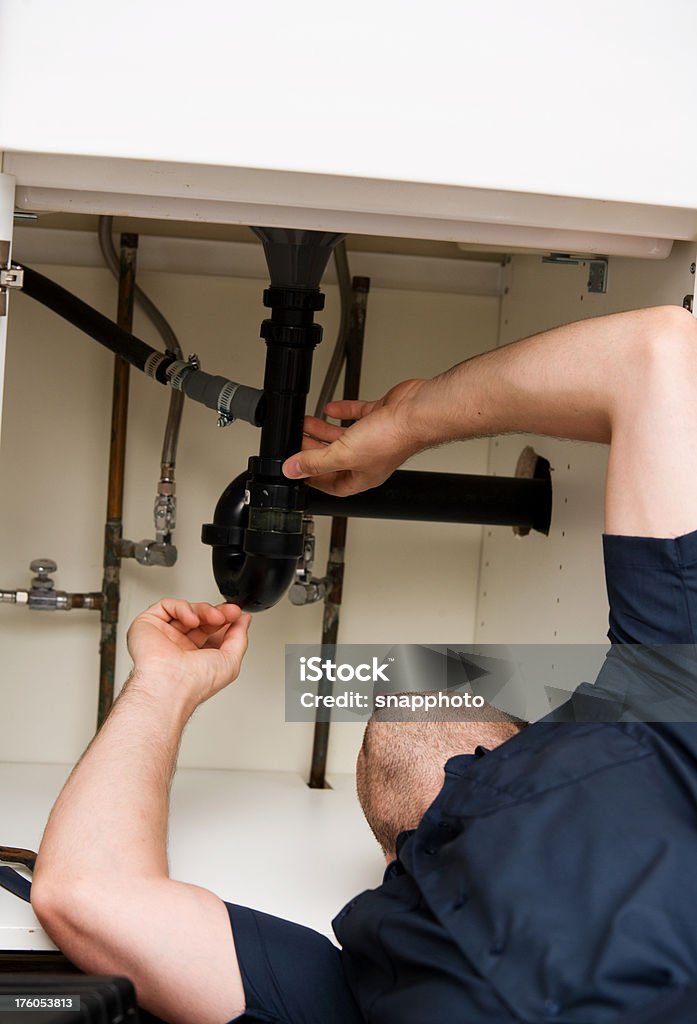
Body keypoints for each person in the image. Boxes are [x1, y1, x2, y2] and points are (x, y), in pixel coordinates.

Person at [31, 304, 697, 1024]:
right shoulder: (663, 726)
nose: (410, 686)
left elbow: (85, 896)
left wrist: (163, 685)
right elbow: (657, 352)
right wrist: (410, 420)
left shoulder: (660, 721)